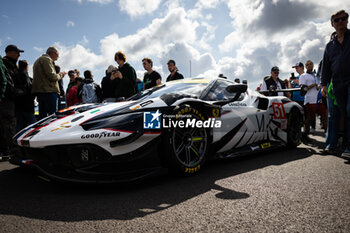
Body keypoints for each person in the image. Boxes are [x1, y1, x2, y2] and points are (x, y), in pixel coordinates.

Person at [321, 10, 350, 159]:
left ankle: (348, 147)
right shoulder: (329, 46)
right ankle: (334, 145)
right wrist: (324, 85)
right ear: (332, 24)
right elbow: (325, 67)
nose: (340, 22)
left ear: (347, 20)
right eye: (336, 20)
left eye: (343, 19)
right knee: (339, 115)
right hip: (337, 84)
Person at [32, 46, 66, 119]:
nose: (57, 57)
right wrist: (61, 74)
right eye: (57, 55)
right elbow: (52, 77)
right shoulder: (47, 60)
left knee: (42, 118)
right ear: (52, 53)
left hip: (41, 92)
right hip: (49, 92)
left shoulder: (38, 60)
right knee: (52, 117)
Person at [300, 60, 327, 142]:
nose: (309, 66)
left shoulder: (316, 75)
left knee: (325, 116)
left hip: (319, 99)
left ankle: (328, 133)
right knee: (310, 118)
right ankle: (305, 134)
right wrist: (314, 85)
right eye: (307, 64)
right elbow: (303, 89)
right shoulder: (303, 76)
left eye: (311, 64)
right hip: (310, 100)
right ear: (305, 67)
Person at [13, 60, 36, 132]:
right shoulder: (26, 76)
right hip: (27, 104)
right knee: (32, 123)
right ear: (26, 67)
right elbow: (29, 88)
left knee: (19, 124)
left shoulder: (14, 76)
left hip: (17, 104)